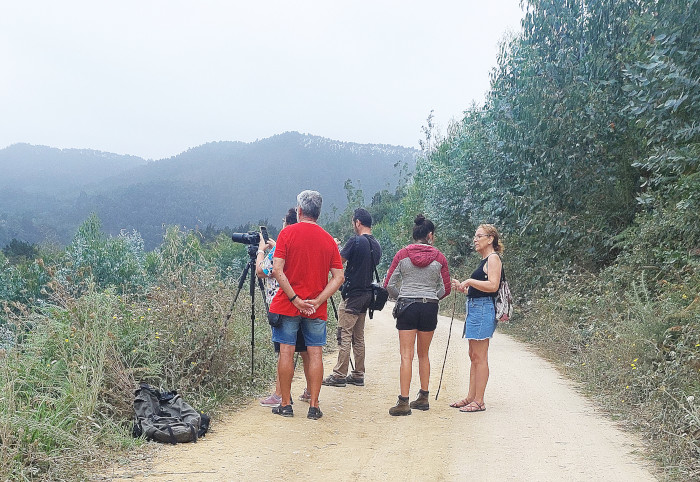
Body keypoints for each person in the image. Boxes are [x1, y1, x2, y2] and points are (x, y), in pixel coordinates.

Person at [269, 190, 344, 420]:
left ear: (299, 211)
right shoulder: (328, 240)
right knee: (315, 354)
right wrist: (318, 300)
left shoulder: (287, 234)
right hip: (316, 308)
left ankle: (285, 403)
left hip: (288, 305)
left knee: (286, 352)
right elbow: (338, 277)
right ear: (318, 213)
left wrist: (294, 299)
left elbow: (277, 270)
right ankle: (314, 405)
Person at [383, 214, 451, 416]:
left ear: (415, 234)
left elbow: (388, 284)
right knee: (424, 354)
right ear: (430, 235)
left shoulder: (402, 254)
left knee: (406, 355)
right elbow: (446, 288)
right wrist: (433, 297)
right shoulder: (439, 257)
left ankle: (403, 402)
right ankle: (423, 397)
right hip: (429, 307)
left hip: (407, 306)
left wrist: (399, 297)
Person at [256, 208, 312, 407]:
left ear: (288, 224)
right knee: (306, 350)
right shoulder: (304, 243)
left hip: (282, 305)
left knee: (284, 350)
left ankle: (280, 395)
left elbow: (262, 271)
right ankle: (310, 391)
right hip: (304, 303)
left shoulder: (281, 247)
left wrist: (262, 250)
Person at [322, 208, 381, 388]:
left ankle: (340, 374)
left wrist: (332, 246)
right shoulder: (376, 245)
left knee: (344, 334)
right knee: (359, 336)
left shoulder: (355, 242)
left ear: (357, 222)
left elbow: (337, 262)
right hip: (367, 295)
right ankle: (358, 373)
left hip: (352, 294)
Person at [449, 224, 503, 413]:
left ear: (490, 239)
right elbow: (483, 287)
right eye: (475, 236)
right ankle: (471, 396)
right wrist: (465, 288)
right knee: (473, 355)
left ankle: (479, 400)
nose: (475, 239)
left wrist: (470, 281)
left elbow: (493, 286)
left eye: (479, 236)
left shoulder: (493, 259)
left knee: (480, 356)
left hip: (482, 309)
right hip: (474, 307)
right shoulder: (484, 260)